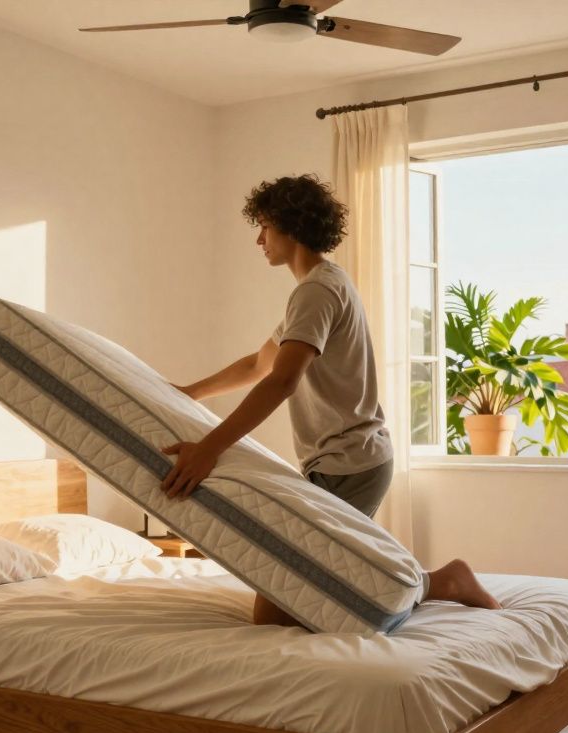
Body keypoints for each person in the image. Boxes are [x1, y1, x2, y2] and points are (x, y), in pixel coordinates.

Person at [161, 174, 500, 627]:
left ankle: (438, 583)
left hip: (349, 463)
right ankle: (439, 581)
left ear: (289, 226)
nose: (259, 239)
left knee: (274, 613)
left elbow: (281, 382)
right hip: (342, 462)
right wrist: (190, 393)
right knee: (310, 585)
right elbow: (257, 365)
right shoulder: (315, 289)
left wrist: (209, 449)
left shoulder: (317, 291)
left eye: (264, 227)